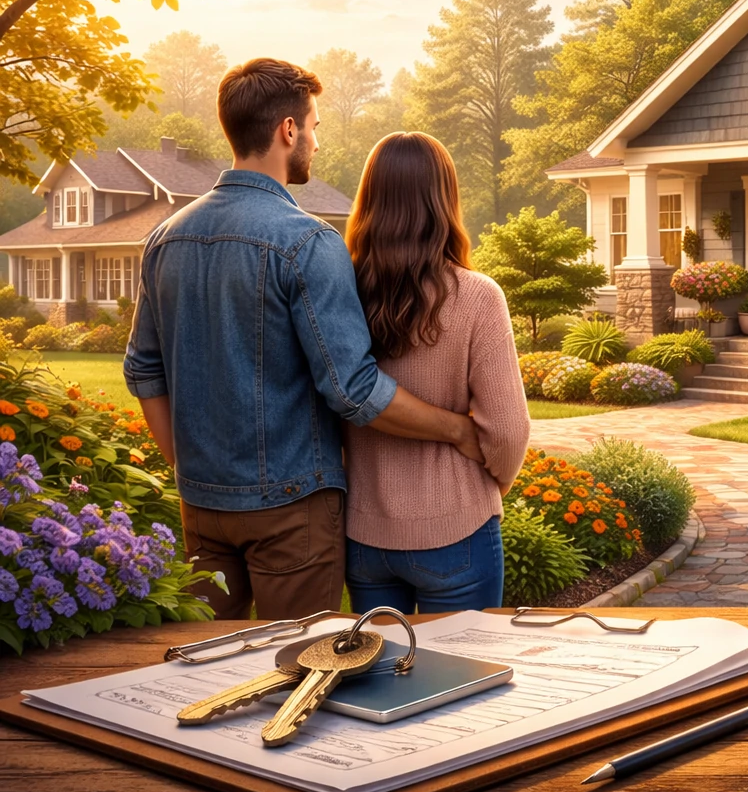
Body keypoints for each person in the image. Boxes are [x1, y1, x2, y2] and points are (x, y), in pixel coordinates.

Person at [125, 58, 484, 621]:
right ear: (287, 130)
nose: (314, 141)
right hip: (291, 510)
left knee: (204, 663)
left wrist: (187, 469)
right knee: (297, 666)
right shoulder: (306, 241)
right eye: (313, 126)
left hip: (202, 505)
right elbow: (353, 390)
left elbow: (144, 370)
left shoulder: (164, 238)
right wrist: (457, 429)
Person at [340, 132, 529, 614]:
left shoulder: (341, 294)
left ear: (370, 200)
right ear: (444, 199)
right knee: (466, 681)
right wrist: (491, 485)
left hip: (365, 534)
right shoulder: (477, 296)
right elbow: (508, 430)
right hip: (457, 530)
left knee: (380, 683)